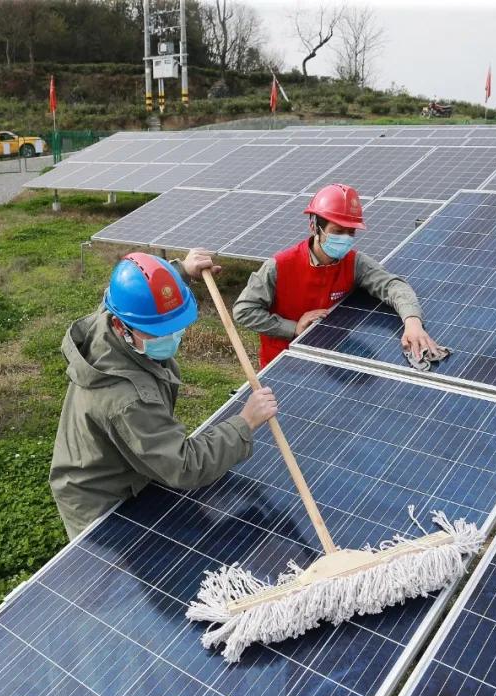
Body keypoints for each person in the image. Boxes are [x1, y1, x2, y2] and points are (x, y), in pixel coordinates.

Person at [49, 249, 279, 540]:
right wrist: (244, 422)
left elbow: (138, 295)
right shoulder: (128, 400)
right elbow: (183, 466)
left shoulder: (113, 318)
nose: (171, 337)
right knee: (126, 578)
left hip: (126, 468)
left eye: (175, 327)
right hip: (101, 502)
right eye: (157, 332)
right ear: (122, 327)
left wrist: (179, 272)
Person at [233, 183, 441, 368]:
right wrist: (292, 328)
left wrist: (412, 321)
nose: (345, 238)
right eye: (338, 231)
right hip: (285, 365)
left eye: (351, 232)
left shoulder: (354, 263)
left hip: (332, 360)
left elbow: (394, 286)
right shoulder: (279, 266)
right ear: (314, 226)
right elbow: (244, 310)